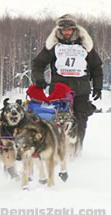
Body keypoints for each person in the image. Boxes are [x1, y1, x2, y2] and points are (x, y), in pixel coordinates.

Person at [31, 14, 103, 148]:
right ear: (59, 31)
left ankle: (77, 148)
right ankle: (58, 147)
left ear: (74, 29)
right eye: (63, 30)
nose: (66, 32)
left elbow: (96, 67)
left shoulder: (85, 46)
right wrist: (39, 79)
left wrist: (97, 87)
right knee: (58, 119)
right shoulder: (53, 47)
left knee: (80, 119)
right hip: (59, 89)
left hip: (81, 89)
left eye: (69, 29)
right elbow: (38, 63)